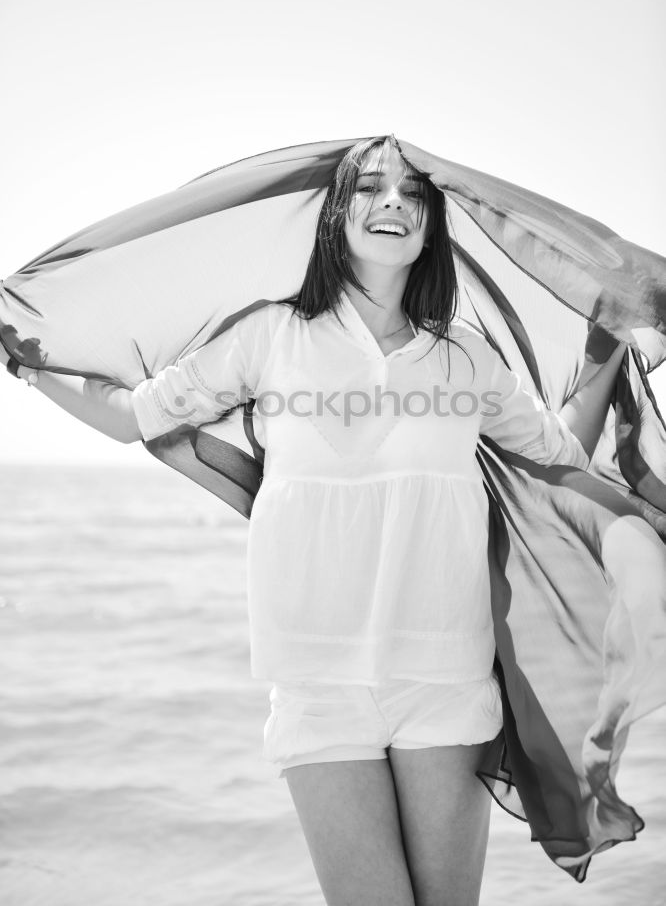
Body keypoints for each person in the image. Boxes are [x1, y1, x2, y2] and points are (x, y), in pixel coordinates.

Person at [0, 136, 641, 905]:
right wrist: (33, 367)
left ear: (432, 227)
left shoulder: (466, 359)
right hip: (315, 679)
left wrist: (611, 337)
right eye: (370, 188)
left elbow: (560, 450)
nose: (392, 202)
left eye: (412, 193)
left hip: (445, 673)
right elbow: (137, 415)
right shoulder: (273, 336)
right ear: (337, 214)